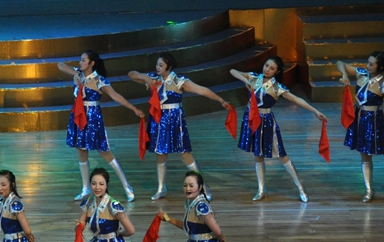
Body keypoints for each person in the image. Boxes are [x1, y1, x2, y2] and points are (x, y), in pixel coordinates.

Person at [128, 52, 230, 201]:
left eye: (161, 65)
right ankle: (161, 188)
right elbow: (131, 74)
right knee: (161, 153)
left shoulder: (179, 80)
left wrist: (221, 100)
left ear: (169, 67)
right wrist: (145, 78)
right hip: (159, 118)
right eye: (157, 64)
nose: (157, 67)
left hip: (175, 118)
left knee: (184, 153)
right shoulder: (154, 78)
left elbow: (201, 90)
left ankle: (203, 186)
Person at [231, 57, 326, 202]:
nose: (267, 69)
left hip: (266, 121)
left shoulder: (277, 87)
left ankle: (301, 188)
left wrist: (315, 111)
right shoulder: (254, 77)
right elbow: (233, 71)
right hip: (251, 119)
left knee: (282, 155)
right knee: (257, 155)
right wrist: (246, 80)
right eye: (266, 65)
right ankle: (261, 189)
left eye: (271, 68)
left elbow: (297, 99)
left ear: (277, 71)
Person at [59, 50, 145, 201]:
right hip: (78, 116)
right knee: (81, 152)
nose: (80, 62)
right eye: (80, 60)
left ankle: (127, 187)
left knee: (105, 153)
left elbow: (116, 96)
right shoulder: (78, 74)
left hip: (92, 118)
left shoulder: (99, 80)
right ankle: (85, 188)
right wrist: (75, 73)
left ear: (91, 63)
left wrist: (133, 108)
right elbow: (60, 65)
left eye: (83, 60)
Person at [63, 168, 135, 242]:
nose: (97, 187)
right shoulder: (88, 203)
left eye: (101, 184)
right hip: (97, 241)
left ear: (106, 185)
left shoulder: (113, 205)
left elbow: (131, 230)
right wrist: (79, 227)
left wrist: (119, 235)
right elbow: (80, 227)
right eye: (94, 183)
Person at [337, 51, 384, 202]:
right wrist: (345, 75)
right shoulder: (361, 74)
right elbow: (340, 63)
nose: (367, 66)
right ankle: (369, 189)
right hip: (360, 119)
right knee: (364, 155)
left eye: (372, 64)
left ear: (380, 67)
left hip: (375, 119)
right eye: (367, 62)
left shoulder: (382, 83)